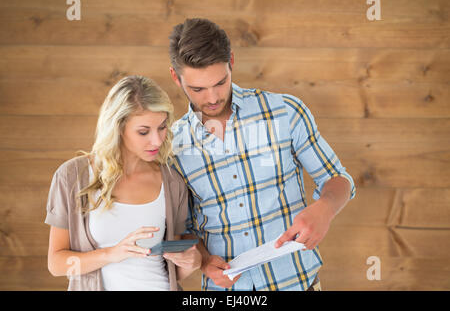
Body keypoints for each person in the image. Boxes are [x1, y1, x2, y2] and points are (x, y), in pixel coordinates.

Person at [168, 18, 356, 291]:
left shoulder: (285, 111)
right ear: (176, 77)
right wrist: (205, 261)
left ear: (231, 61)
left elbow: (338, 179)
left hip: (298, 283)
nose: (211, 97)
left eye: (220, 83)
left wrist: (324, 210)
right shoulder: (172, 146)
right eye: (197, 89)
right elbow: (184, 227)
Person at [45, 75, 201, 291]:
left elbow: (172, 271)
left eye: (162, 127)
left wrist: (191, 263)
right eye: (143, 132)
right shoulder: (73, 176)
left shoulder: (172, 181)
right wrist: (111, 253)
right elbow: (56, 264)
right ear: (118, 127)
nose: (157, 140)